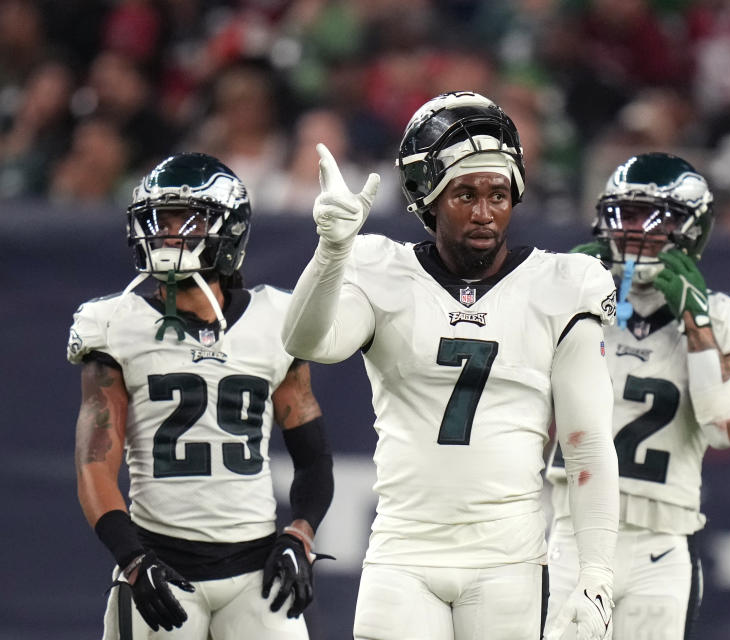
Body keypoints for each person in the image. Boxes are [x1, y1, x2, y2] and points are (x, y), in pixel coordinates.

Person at [281, 91, 621, 640]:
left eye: (498, 193)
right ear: (427, 197)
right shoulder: (379, 266)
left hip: (507, 556)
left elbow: (587, 443)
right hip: (403, 549)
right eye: (465, 194)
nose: (485, 212)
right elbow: (308, 341)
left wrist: (597, 573)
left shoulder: (564, 284)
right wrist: (331, 253)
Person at [67, 152, 335, 639]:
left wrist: (301, 533)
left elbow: (313, 458)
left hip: (257, 570)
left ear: (228, 230)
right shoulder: (115, 324)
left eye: (186, 220)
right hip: (160, 563)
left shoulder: (276, 319)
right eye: (159, 219)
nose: (167, 233)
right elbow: (94, 463)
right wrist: (132, 558)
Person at [545, 153, 730, 639]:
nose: (633, 231)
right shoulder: (568, 295)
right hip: (570, 531)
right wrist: (559, 305)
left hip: (660, 547)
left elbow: (725, 427)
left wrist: (698, 326)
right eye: (623, 215)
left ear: (691, 229)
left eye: (654, 219)